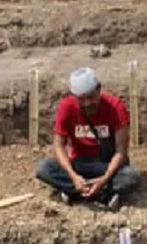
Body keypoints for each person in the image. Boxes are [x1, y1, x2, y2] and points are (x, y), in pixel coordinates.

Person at [35, 67, 141, 211]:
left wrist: (104, 178)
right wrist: (73, 176)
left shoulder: (115, 108)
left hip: (106, 166)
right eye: (82, 99)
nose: (87, 103)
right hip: (79, 165)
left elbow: (121, 151)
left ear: (99, 89)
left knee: (131, 176)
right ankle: (103, 195)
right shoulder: (67, 107)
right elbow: (59, 145)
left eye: (91, 97)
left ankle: (75, 193)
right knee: (43, 168)